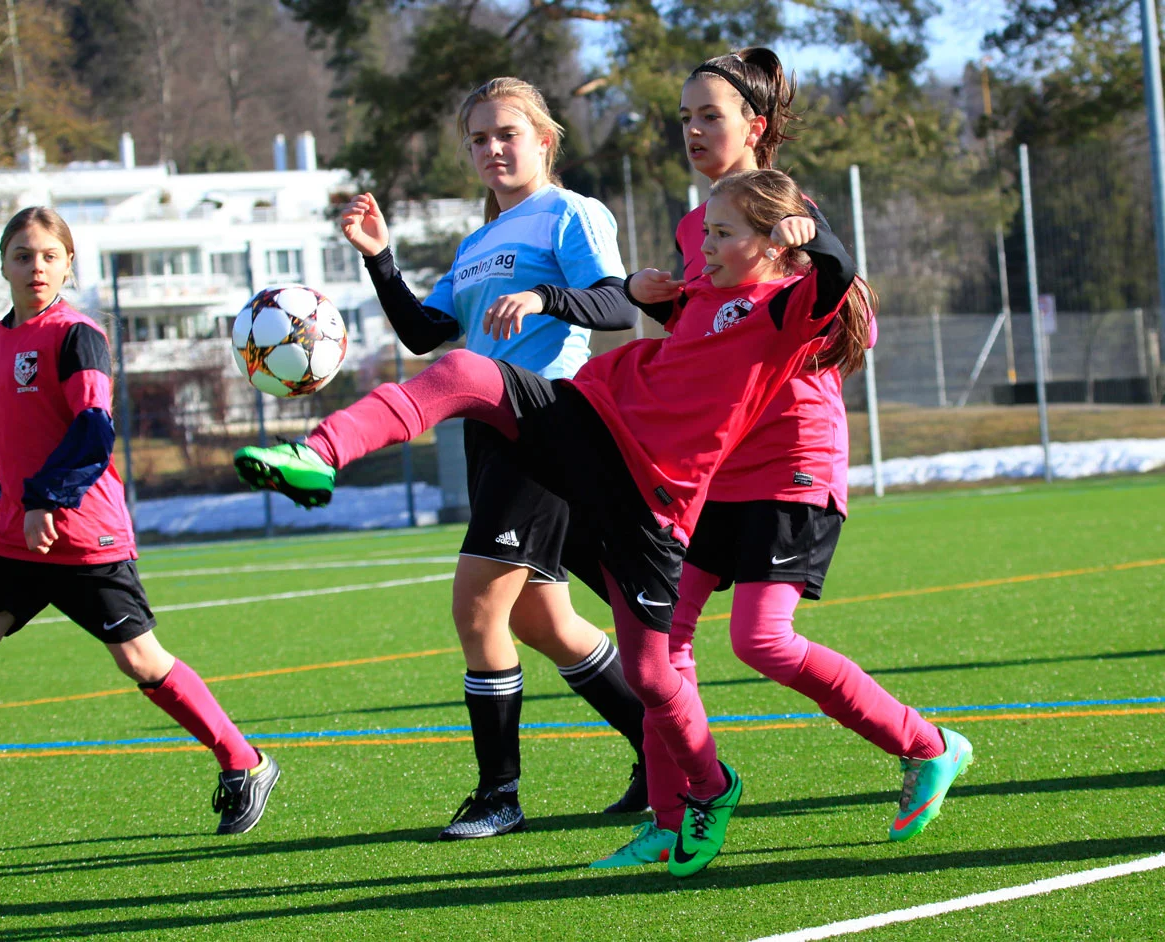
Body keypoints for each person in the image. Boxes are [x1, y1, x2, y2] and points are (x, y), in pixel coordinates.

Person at [238, 170, 969, 876]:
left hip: (657, 496)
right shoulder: (710, 289)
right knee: (465, 374)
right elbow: (634, 314)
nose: (704, 246)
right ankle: (318, 452)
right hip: (594, 423)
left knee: (654, 674)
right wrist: (647, 295)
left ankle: (713, 786)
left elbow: (838, 275)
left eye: (721, 234)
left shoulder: (790, 305)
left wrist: (816, 233)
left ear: (776, 243)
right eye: (706, 231)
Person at [586, 50, 968, 870]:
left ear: (754, 127)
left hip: (790, 460)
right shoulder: (698, 227)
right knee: (662, 643)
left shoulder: (790, 212)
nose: (691, 130)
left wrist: (814, 244)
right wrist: (657, 301)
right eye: (683, 116)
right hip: (712, 464)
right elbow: (697, 354)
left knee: (762, 642)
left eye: (709, 116)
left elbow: (834, 307)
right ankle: (672, 814)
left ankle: (927, 743)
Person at [0, 207, 278, 853]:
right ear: (4, 264)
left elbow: (93, 428)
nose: (35, 266)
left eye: (47, 255)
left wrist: (47, 497)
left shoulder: (77, 336)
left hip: (84, 531)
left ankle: (246, 762)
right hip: (16, 532)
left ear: (68, 263)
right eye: (22, 255)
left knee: (139, 659)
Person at [338, 76, 650, 840]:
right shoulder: (478, 243)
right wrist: (380, 259)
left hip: (546, 425)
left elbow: (616, 303)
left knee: (478, 607)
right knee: (547, 622)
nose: (492, 149)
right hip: (489, 431)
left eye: (506, 134)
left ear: (544, 140)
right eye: (479, 139)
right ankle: (663, 745)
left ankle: (498, 796)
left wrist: (547, 300)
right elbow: (423, 333)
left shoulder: (572, 213)